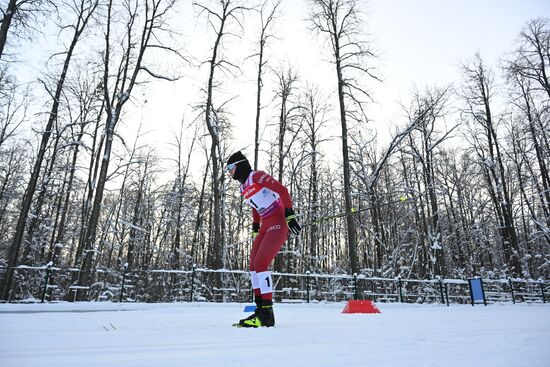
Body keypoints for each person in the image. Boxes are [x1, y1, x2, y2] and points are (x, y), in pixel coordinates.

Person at [226, 151, 301, 327]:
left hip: (278, 222)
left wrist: (289, 215)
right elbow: (255, 205)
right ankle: (260, 309)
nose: (229, 172)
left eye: (230, 168)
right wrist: (255, 226)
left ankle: (267, 313)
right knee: (252, 264)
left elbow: (282, 190)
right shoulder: (243, 187)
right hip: (265, 224)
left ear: (239, 165)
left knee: (261, 263)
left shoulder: (257, 176)